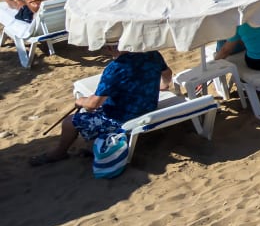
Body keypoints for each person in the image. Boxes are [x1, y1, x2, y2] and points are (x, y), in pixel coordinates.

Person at [32, 48, 170, 166]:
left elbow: (93, 104)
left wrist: (81, 101)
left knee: (69, 122)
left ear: (112, 47)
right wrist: (163, 86)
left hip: (122, 118)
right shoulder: (152, 54)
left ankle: (59, 153)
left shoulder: (115, 68)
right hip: (148, 108)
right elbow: (167, 74)